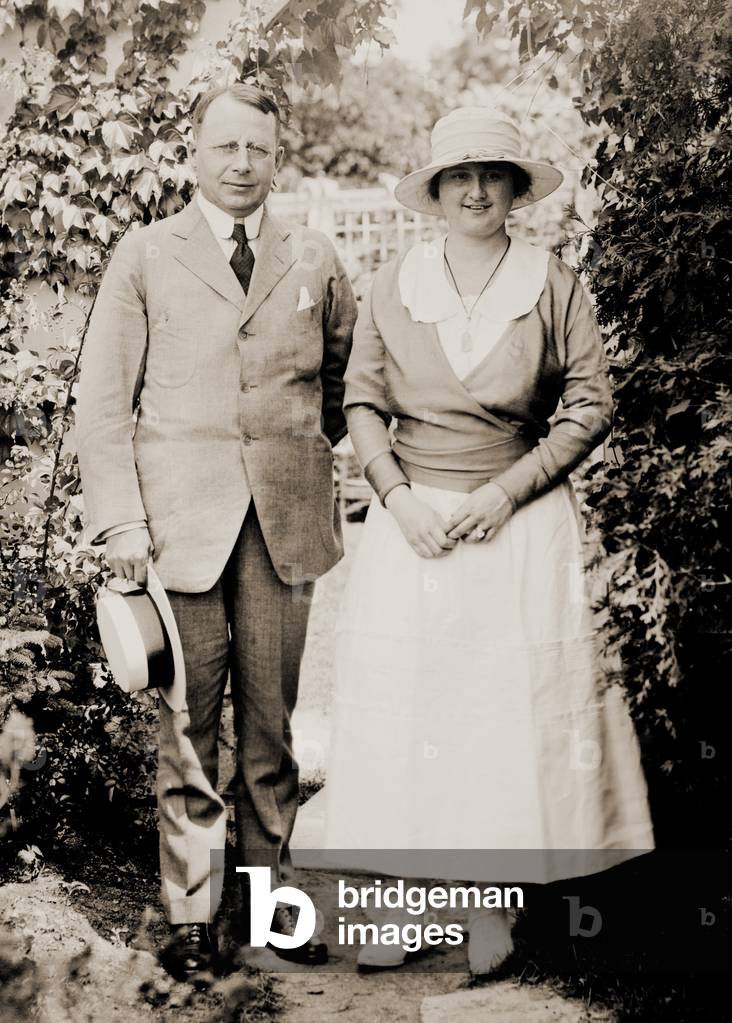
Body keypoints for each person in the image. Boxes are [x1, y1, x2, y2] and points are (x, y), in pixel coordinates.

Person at [322, 108, 654, 974]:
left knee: (495, 713)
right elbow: (361, 399)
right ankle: (404, 904)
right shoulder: (393, 282)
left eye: (492, 174)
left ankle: (486, 912)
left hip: (518, 521)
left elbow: (590, 404)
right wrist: (395, 496)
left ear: (514, 188)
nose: (474, 189)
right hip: (416, 530)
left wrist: (508, 491)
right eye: (457, 175)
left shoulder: (553, 282)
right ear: (433, 192)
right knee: (415, 709)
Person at [75, 83, 357, 978]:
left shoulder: (313, 255)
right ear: (193, 152)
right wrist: (121, 515)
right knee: (189, 726)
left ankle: (271, 912)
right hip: (175, 532)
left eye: (258, 150)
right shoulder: (146, 255)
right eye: (225, 146)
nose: (241, 164)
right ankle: (192, 916)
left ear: (279, 157)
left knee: (272, 728)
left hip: (284, 527)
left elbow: (346, 382)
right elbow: (103, 401)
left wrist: (293, 456)